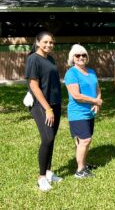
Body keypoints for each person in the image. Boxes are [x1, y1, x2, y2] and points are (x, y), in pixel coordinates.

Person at [25, 31, 62, 191]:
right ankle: (41, 178)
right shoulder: (33, 59)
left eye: (51, 42)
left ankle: (48, 172)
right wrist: (47, 108)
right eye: (45, 42)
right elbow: (33, 85)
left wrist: (54, 106)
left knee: (52, 138)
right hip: (42, 105)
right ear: (38, 42)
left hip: (55, 103)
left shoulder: (50, 59)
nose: (49, 45)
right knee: (47, 138)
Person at [64, 44, 102, 178]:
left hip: (90, 112)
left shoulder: (91, 71)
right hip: (78, 113)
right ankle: (80, 171)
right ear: (72, 58)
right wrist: (94, 101)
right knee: (85, 140)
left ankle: (84, 164)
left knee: (85, 140)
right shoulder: (71, 73)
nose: (81, 57)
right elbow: (76, 95)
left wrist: (98, 101)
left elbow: (97, 88)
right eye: (77, 55)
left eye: (83, 55)